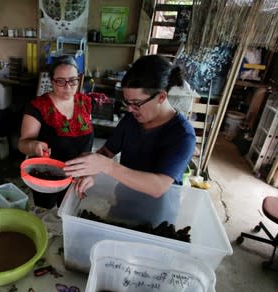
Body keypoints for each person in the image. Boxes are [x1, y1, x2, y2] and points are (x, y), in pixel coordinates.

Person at [64, 55, 196, 200]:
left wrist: (107, 166)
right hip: (124, 198)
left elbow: (158, 187)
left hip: (158, 213)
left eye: (136, 103)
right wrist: (91, 170)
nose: (130, 109)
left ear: (161, 97)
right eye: (128, 103)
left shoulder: (183, 135)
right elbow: (107, 152)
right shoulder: (131, 120)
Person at [18, 55, 94, 208]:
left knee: (68, 208)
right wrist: (33, 146)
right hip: (47, 175)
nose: (68, 86)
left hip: (77, 175)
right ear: (51, 81)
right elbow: (22, 143)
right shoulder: (38, 106)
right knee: (47, 208)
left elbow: (87, 137)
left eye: (73, 80)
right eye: (60, 81)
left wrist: (88, 169)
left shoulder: (84, 102)